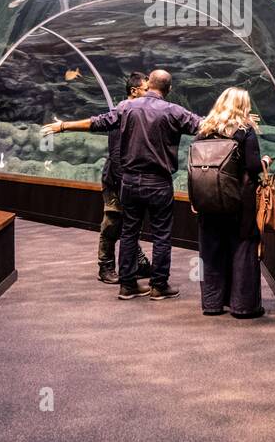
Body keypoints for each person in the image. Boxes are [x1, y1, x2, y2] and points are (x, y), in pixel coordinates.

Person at [42, 69, 201, 300]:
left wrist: (64, 126)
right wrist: (237, 120)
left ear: (150, 84)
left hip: (130, 182)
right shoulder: (174, 111)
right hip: (158, 183)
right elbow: (203, 125)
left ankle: (127, 285)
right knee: (161, 236)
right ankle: (159, 286)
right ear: (169, 89)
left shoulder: (126, 107)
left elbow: (97, 122)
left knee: (128, 232)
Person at [190, 88, 269, 319]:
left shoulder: (204, 130)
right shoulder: (245, 131)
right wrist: (264, 161)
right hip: (239, 203)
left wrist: (196, 198)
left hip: (208, 200)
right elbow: (253, 167)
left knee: (211, 251)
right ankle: (243, 306)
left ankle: (212, 303)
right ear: (242, 106)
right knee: (242, 249)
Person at [96, 72, 152, 284]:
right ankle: (106, 267)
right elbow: (118, 153)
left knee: (130, 222)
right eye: (146, 91)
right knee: (113, 222)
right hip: (116, 179)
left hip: (129, 179)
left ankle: (137, 263)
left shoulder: (137, 112)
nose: (150, 95)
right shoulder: (123, 111)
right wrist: (124, 182)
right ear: (134, 91)